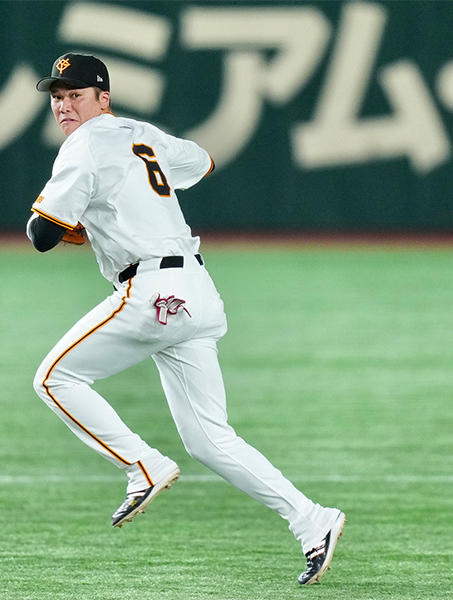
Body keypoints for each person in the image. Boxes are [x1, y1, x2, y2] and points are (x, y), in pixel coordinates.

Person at [27, 53, 345, 585]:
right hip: (196, 289)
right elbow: (201, 163)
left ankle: (142, 465)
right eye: (57, 96)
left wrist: (74, 219)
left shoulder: (82, 144)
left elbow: (41, 235)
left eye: (75, 94)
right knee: (209, 439)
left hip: (151, 289)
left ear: (103, 98)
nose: (63, 105)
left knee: (54, 378)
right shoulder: (142, 133)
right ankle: (313, 521)